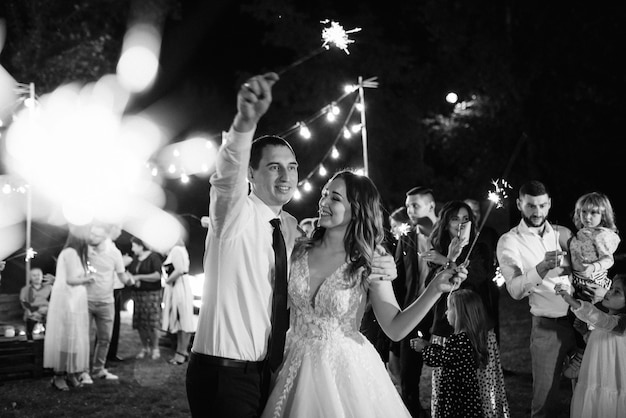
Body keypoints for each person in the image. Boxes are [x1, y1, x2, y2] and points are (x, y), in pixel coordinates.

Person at [185, 72, 397, 418]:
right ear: (251, 174)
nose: (286, 177)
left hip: (269, 370)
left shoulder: (289, 227)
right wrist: (244, 122)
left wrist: (382, 261)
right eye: (273, 167)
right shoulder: (232, 215)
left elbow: (331, 254)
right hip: (223, 371)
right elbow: (226, 178)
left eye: (292, 167)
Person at [261, 170, 468, 418]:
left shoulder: (371, 259)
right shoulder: (297, 248)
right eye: (324, 194)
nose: (324, 202)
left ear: (357, 209)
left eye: (335, 198)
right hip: (289, 362)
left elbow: (395, 327)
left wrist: (434, 288)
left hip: (344, 370)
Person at [421, 200, 509, 417]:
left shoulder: (480, 248)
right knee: (449, 390)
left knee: (480, 387)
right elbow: (431, 288)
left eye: (466, 219)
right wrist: (445, 258)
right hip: (446, 326)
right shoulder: (436, 251)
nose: (461, 223)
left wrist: (447, 261)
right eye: (455, 218)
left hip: (475, 328)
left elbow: (478, 278)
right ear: (445, 222)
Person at [496, 180, 577, 418]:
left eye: (542, 205)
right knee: (545, 402)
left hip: (582, 323)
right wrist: (541, 267)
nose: (537, 212)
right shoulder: (509, 241)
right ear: (520, 204)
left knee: (586, 392)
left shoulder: (563, 233)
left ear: (549, 204)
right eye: (531, 206)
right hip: (547, 327)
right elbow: (515, 290)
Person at [563, 192, 621, 379]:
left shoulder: (602, 236)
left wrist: (594, 266)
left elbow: (608, 259)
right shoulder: (579, 235)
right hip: (579, 285)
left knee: (592, 322)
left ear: (603, 215)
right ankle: (582, 354)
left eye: (594, 213)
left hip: (594, 285)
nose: (588, 217)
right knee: (578, 322)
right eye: (584, 212)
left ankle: (584, 357)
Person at [555, 274, 626, 418]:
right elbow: (600, 345)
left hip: (612, 381)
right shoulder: (605, 322)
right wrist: (585, 333)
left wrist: (572, 301)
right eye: (611, 288)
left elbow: (600, 319)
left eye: (617, 292)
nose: (609, 292)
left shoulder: (620, 323)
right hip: (595, 378)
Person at [392, 189, 436, 417]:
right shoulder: (406, 237)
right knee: (408, 373)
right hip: (412, 311)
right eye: (407, 205)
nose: (409, 210)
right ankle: (412, 411)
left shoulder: (444, 236)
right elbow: (399, 276)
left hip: (441, 312)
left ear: (431, 206)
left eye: (415, 205)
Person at [412, 289, 489, 418]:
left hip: (456, 395)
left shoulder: (461, 340)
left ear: (460, 314)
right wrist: (429, 345)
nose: (446, 312)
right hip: (463, 393)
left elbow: (441, 358)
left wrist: (423, 349)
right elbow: (448, 354)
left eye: (449, 309)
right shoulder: (467, 337)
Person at [43, 226, 95, 391]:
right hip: (68, 301)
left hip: (75, 300)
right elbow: (71, 280)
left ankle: (71, 373)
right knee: (65, 337)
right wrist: (89, 279)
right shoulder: (71, 253)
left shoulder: (75, 253)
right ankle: (58, 375)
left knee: (74, 337)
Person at [82, 222, 131, 383]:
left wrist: (130, 281)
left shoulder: (115, 253)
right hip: (86, 300)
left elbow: (122, 275)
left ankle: (98, 370)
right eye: (92, 233)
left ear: (105, 237)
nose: (92, 237)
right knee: (84, 339)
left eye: (97, 235)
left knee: (104, 339)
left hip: (106, 301)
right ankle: (83, 372)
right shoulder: (85, 250)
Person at [464, 197, 502, 342]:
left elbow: (497, 256)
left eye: (477, 211)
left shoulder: (489, 233)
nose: (474, 215)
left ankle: (494, 358)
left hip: (489, 288)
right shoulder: (461, 236)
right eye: (470, 212)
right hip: (469, 289)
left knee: (492, 323)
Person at [127, 236, 163, 360]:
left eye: (134, 246)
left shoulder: (154, 257)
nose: (132, 248)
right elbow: (130, 273)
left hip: (151, 294)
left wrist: (139, 277)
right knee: (140, 322)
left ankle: (155, 348)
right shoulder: (135, 259)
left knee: (152, 323)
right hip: (138, 294)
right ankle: (145, 347)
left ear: (141, 246)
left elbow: (157, 275)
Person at [161, 235, 194, 365]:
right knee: (180, 321)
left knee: (183, 320)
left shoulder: (176, 250)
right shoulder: (178, 250)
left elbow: (180, 270)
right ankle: (181, 351)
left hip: (179, 287)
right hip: (178, 286)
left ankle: (181, 352)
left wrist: (167, 281)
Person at [106, 224, 126, 363]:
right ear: (112, 228)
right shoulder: (108, 247)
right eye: (118, 229)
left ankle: (111, 353)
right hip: (111, 288)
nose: (120, 232)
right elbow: (119, 271)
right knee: (110, 323)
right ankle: (108, 354)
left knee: (114, 323)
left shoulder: (110, 245)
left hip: (115, 287)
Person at [19, 267, 52, 340]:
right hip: (33, 310)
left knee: (50, 317)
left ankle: (48, 339)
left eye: (38, 275)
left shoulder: (49, 287)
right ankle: (30, 339)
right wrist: (31, 310)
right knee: (30, 317)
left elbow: (54, 299)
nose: (37, 277)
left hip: (47, 310)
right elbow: (23, 301)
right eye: (34, 275)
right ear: (30, 277)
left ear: (42, 275)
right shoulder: (26, 289)